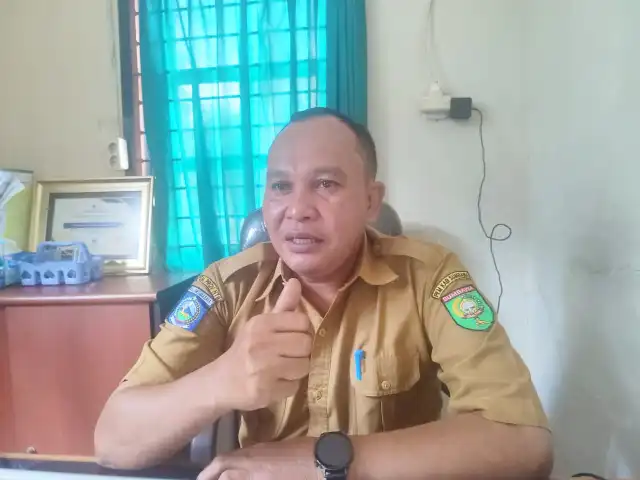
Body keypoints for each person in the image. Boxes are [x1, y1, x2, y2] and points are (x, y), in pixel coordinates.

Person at [94, 108, 553, 479]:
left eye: (326, 184)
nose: (297, 210)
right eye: (281, 186)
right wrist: (220, 380)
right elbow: (113, 441)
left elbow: (524, 441)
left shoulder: (429, 278)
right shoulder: (227, 287)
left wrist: (323, 462)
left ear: (371, 201)